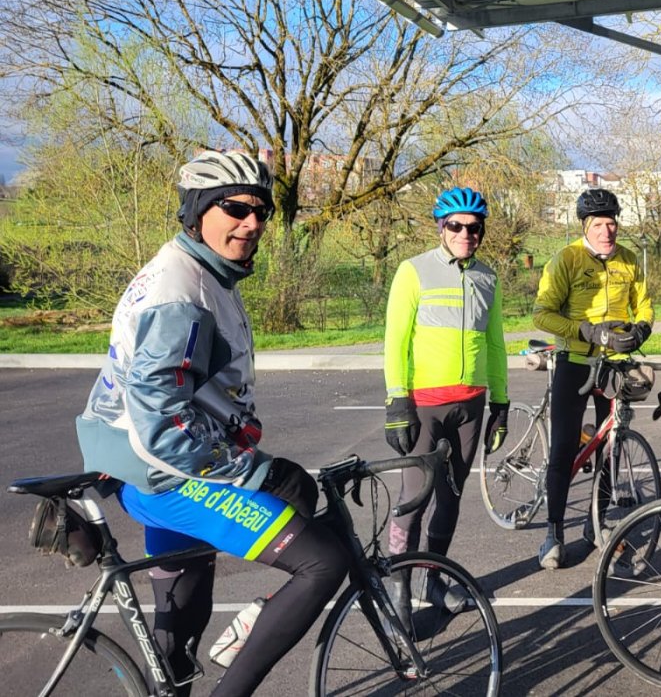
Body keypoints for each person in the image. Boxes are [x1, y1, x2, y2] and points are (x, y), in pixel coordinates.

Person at [74, 151, 348, 696]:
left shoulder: (198, 271)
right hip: (163, 474)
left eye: (262, 211)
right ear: (198, 211)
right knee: (323, 561)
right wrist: (255, 473)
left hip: (144, 466)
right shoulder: (183, 292)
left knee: (181, 625)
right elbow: (161, 421)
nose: (252, 222)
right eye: (235, 208)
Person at [382, 186, 509, 612]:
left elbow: (495, 344)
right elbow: (395, 342)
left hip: (470, 404)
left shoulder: (488, 277)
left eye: (474, 228)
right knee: (413, 500)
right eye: (456, 226)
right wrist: (397, 401)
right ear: (441, 227)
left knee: (451, 498)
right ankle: (399, 588)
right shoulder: (413, 271)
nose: (465, 234)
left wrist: (501, 404)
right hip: (424, 404)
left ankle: (433, 581)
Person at [531, 188, 654, 569]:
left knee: (611, 447)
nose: (607, 231)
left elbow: (644, 305)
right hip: (575, 362)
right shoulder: (566, 259)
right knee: (563, 447)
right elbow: (542, 314)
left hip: (614, 365)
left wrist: (641, 330)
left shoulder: (628, 260)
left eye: (611, 223)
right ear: (585, 226)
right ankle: (553, 532)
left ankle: (596, 524)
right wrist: (585, 331)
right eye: (599, 224)